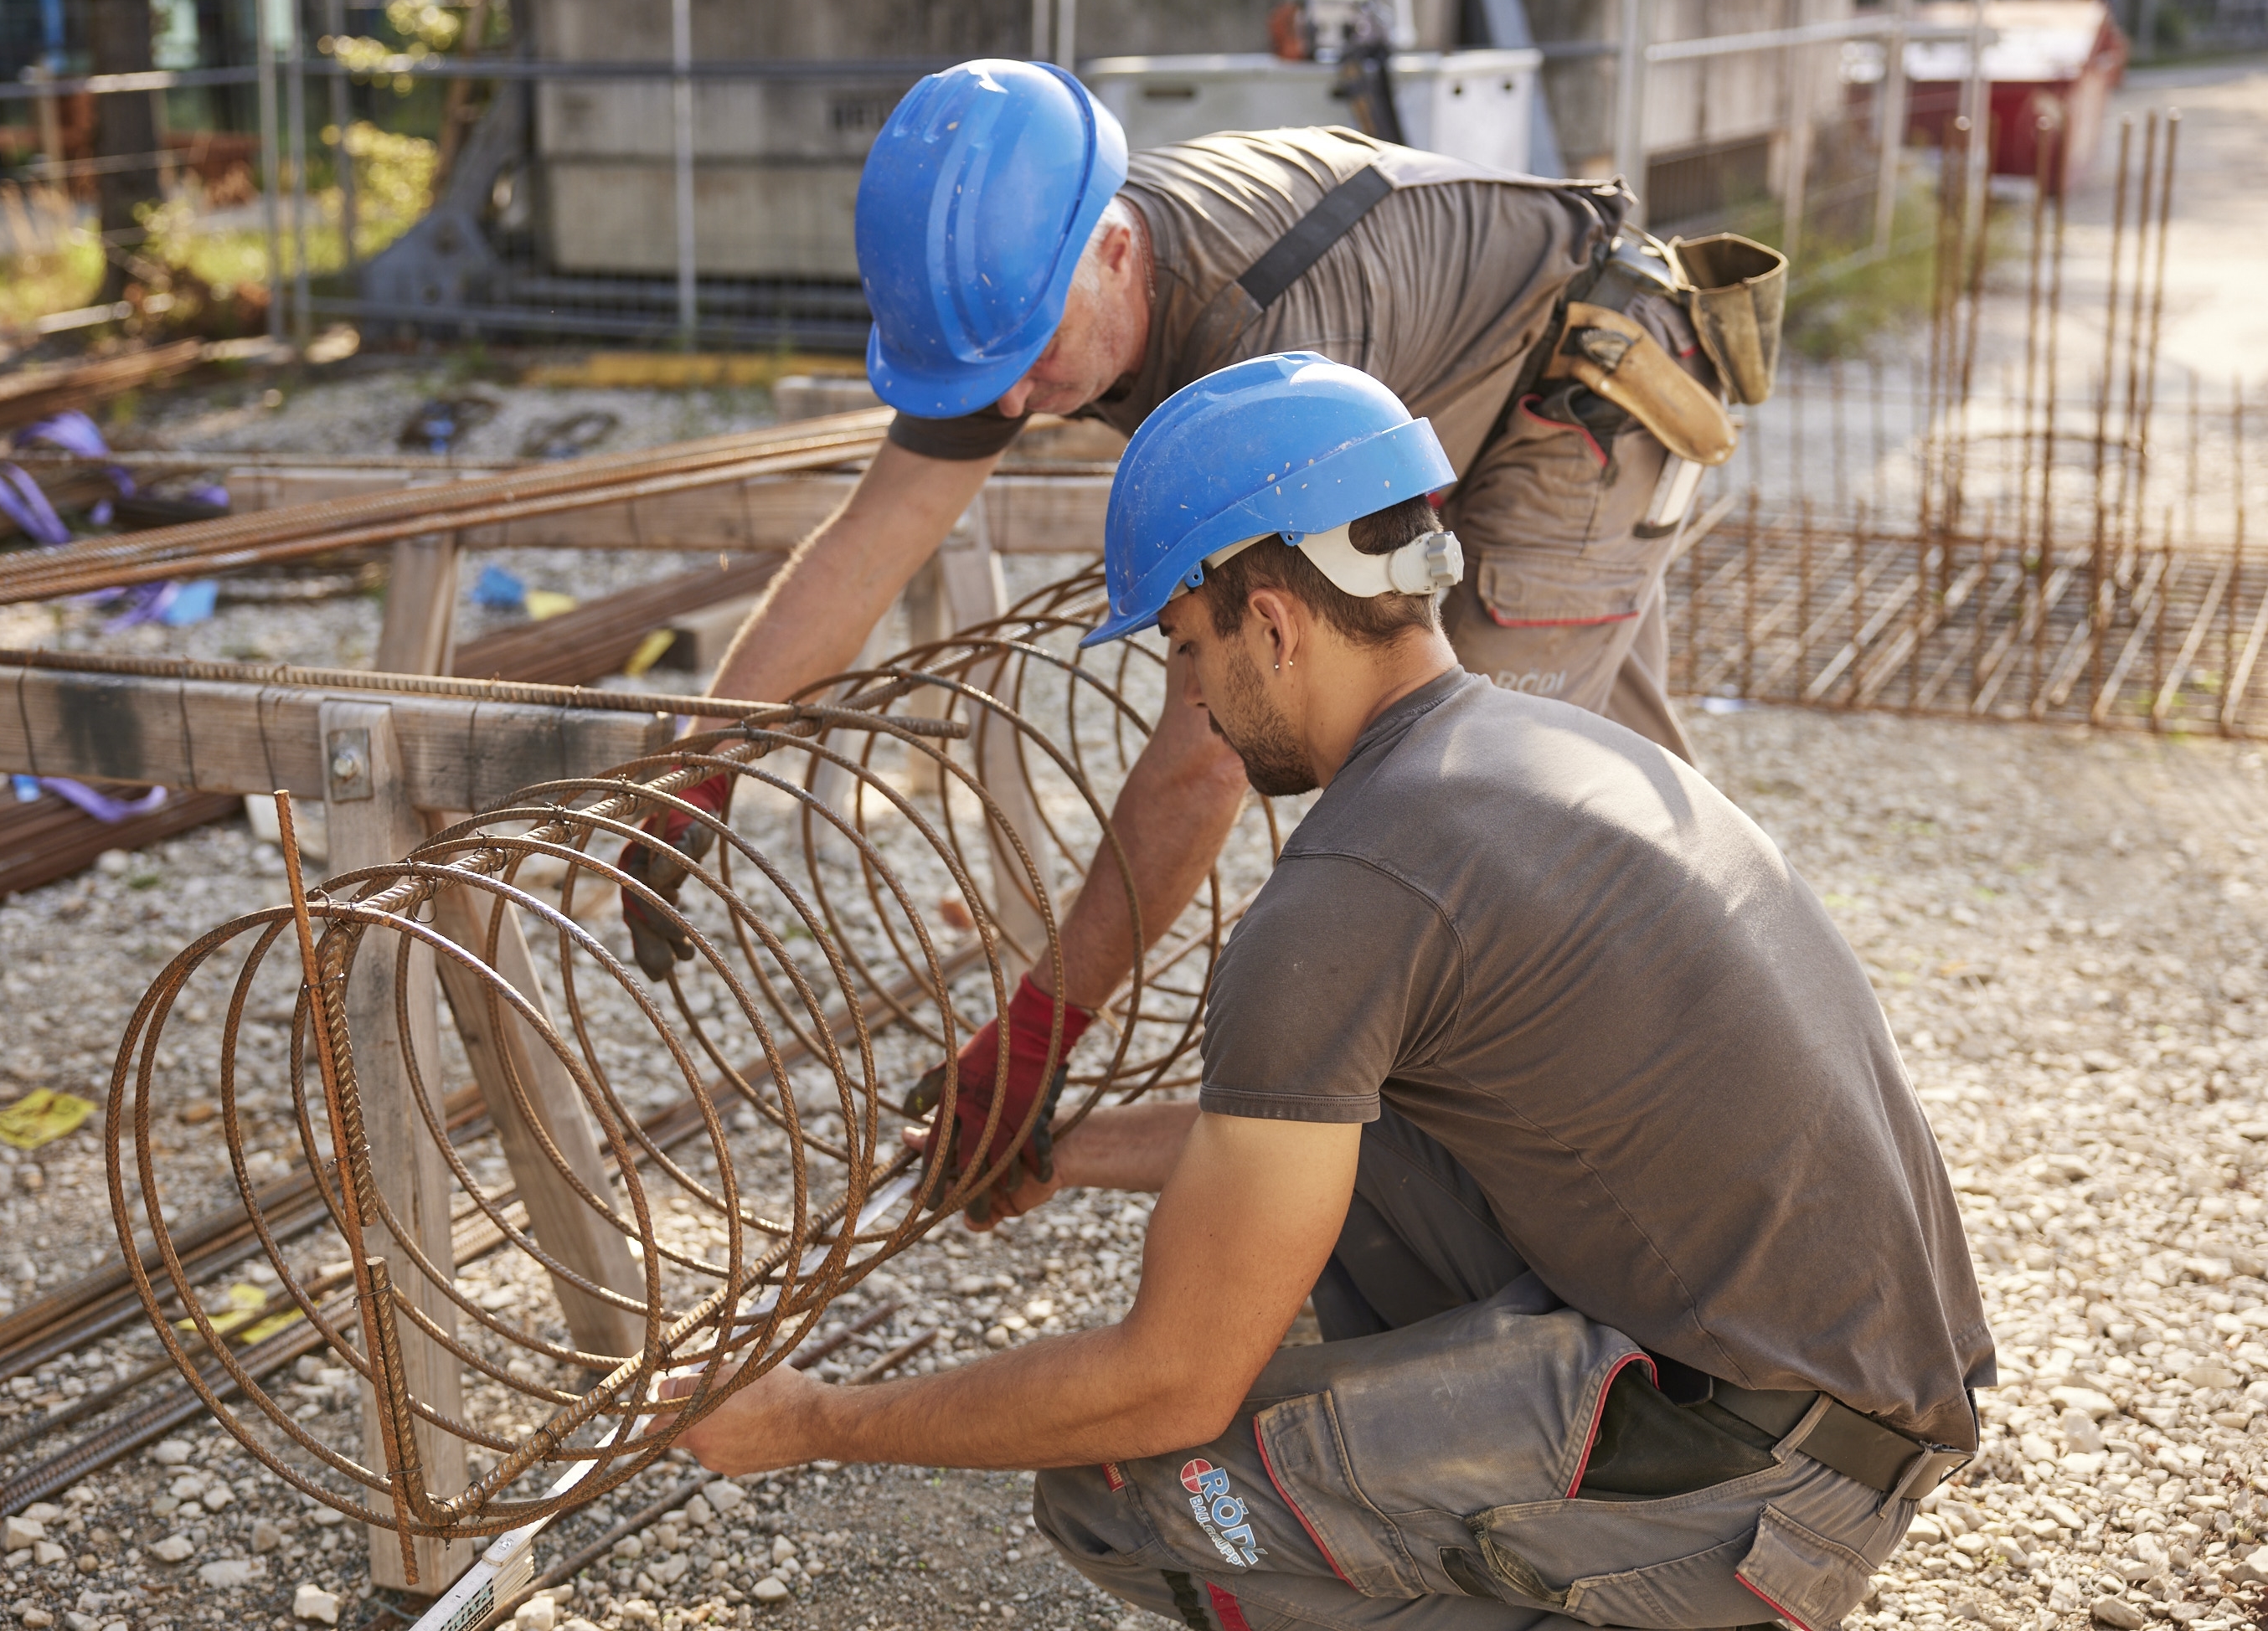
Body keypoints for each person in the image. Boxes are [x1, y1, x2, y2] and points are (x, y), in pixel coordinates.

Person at [671, 354, 1992, 1631]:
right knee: (1353, 1152)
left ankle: (1632, 1594)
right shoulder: (1534, 746)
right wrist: (1056, 1152)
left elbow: (1166, 1381)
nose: (1189, 695)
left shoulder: (1352, 885)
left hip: (1759, 1480)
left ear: (1274, 620)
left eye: (1185, 648)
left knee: (1123, 1486)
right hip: (1857, 1408)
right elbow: (1308, 1133)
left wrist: (813, 1422)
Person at [621, 58, 1771, 1223]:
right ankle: (1734, 1058)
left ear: (1116, 249)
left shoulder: (1258, 334)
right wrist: (703, 760)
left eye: (1030, 357)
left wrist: (1039, 1028)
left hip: (1563, 383)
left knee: (1473, 798)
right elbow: (871, 540)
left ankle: (1546, 1184)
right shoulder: (1017, 291)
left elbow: (1215, 742)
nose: (1010, 405)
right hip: (1426, 374)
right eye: (984, 373)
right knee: (1605, 784)